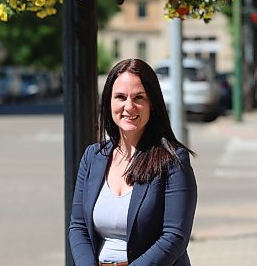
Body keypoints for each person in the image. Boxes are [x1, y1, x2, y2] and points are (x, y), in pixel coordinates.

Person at [68, 58, 197, 266]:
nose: (129, 106)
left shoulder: (173, 160)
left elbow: (175, 237)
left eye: (139, 98)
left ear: (152, 104)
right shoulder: (93, 157)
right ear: (109, 102)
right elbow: (78, 226)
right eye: (120, 97)